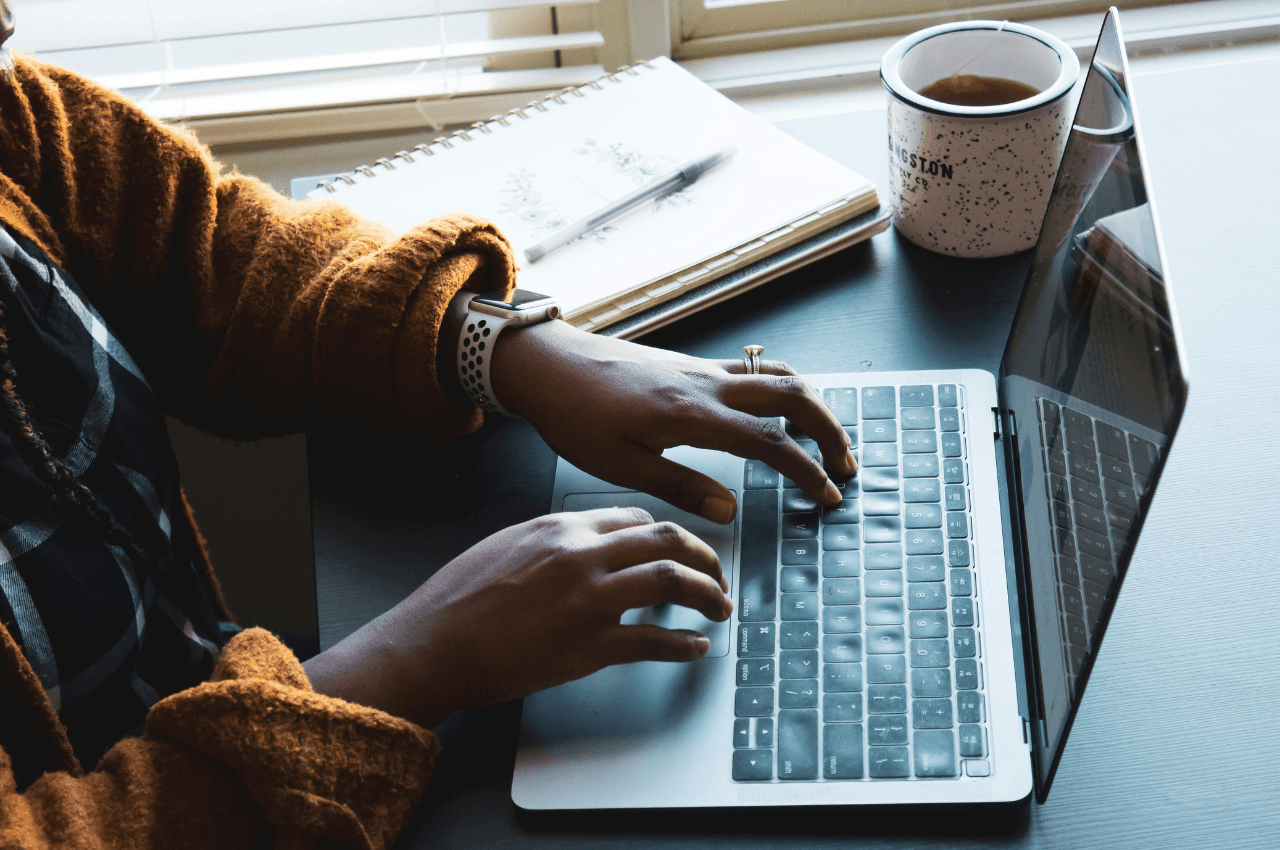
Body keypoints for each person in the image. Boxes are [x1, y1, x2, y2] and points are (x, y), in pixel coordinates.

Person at [0, 14, 856, 850]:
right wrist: (418, 659)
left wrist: (518, 348)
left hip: (225, 692)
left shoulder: (14, 120)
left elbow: (218, 252)